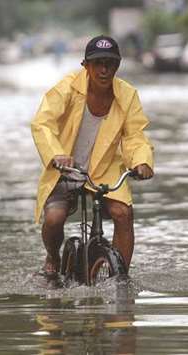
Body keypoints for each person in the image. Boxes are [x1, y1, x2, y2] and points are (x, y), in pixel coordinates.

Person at [31, 35, 154, 285]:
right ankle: (53, 256)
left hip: (105, 170)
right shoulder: (67, 88)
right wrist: (56, 154)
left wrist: (141, 161)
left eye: (110, 63)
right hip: (65, 169)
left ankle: (120, 277)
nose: (104, 69)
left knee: (123, 214)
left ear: (118, 66)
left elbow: (135, 135)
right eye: (97, 63)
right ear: (85, 65)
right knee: (54, 219)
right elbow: (42, 123)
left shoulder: (128, 95)